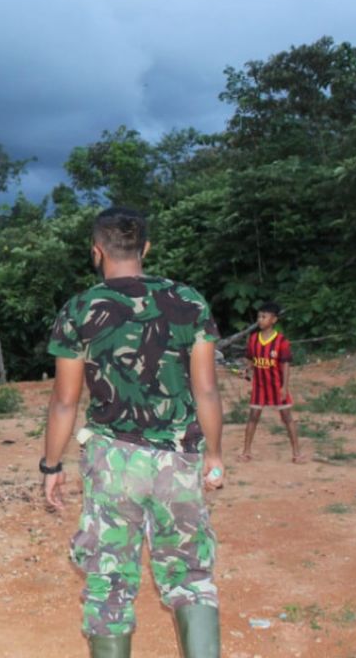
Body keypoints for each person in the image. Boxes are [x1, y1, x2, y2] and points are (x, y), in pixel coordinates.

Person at [40, 207, 224, 658]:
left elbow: (65, 401)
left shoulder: (79, 309)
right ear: (146, 249)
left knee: (110, 580)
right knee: (190, 578)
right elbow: (206, 389)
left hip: (112, 463)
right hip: (179, 459)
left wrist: (51, 465)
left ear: (96, 252)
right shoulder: (189, 302)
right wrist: (214, 456)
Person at [238, 302, 305, 463]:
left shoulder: (281, 341)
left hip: (276, 386)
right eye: (259, 317)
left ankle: (297, 454)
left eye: (264, 317)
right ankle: (246, 452)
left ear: (273, 320)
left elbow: (286, 366)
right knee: (253, 417)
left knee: (287, 418)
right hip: (260, 386)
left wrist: (284, 387)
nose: (260, 320)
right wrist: (246, 369)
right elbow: (250, 359)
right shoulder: (253, 339)